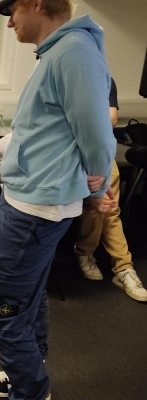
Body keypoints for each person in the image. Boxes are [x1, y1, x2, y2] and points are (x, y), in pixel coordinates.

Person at [0, 0, 117, 400]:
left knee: (4, 308)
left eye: (13, 11)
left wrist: (98, 187)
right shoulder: (58, 52)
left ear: (36, 2)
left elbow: (98, 133)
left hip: (35, 208)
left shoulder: (74, 53)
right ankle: (26, 376)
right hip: (30, 199)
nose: (9, 22)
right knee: (29, 297)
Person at [74, 78, 147, 301]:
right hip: (71, 147)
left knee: (109, 206)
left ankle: (123, 268)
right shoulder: (68, 75)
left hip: (100, 148)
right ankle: (84, 252)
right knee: (94, 206)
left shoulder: (104, 79)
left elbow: (112, 119)